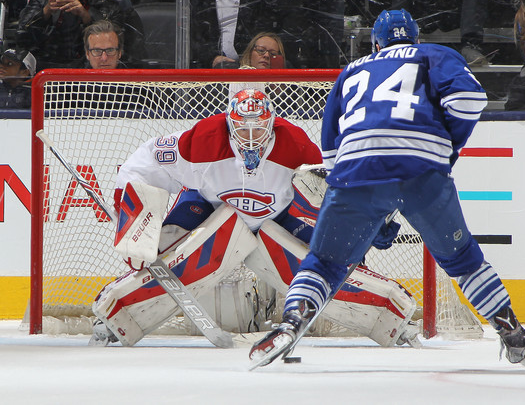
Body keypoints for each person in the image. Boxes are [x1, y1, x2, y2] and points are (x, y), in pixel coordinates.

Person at [250, 9, 525, 371]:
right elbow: (469, 101)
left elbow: (330, 153)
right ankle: (512, 333)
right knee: (462, 259)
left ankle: (292, 322)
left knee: (325, 263)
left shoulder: (353, 69)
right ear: (415, 38)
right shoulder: (433, 54)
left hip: (355, 172)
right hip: (422, 172)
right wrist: (445, 149)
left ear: (376, 43)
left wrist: (372, 206)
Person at [90, 88, 418, 349]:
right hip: (210, 207)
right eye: (242, 129)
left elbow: (333, 191)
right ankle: (115, 315)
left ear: (272, 122)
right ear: (229, 124)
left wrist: (370, 226)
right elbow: (143, 164)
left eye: (258, 128)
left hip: (276, 220)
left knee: (327, 259)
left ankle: (389, 317)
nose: (250, 137)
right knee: (165, 240)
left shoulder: (296, 146)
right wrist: (131, 214)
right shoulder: (202, 140)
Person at [17, 0, 143, 69]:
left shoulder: (110, 7)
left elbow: (118, 47)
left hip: (89, 72)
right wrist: (46, 11)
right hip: (46, 68)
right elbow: (22, 36)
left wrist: (87, 17)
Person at [213, 31, 285, 69]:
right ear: (250, 52)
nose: (266, 55)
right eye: (261, 50)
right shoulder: (228, 72)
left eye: (273, 54)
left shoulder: (287, 86)